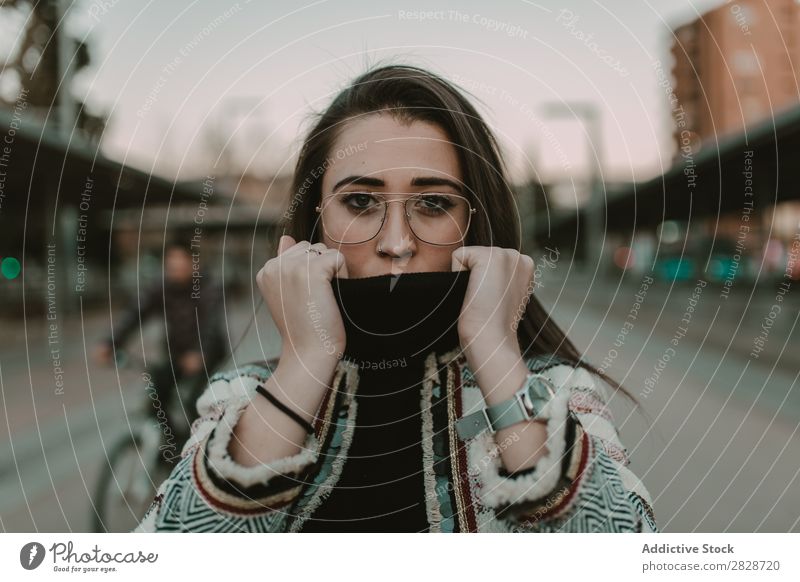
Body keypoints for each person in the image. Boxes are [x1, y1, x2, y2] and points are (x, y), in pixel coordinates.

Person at [134, 64, 659, 533]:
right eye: (360, 202)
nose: (396, 242)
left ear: (477, 230)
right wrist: (305, 360)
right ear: (315, 224)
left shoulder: (554, 390)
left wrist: (497, 353)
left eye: (433, 203)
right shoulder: (243, 395)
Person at [95, 238, 228, 449]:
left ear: (194, 263)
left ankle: (199, 448)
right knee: (157, 392)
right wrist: (111, 342)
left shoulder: (208, 287)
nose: (175, 269)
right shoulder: (163, 287)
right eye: (170, 264)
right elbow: (136, 312)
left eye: (180, 262)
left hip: (206, 354)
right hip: (176, 353)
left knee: (195, 400)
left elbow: (211, 325)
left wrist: (200, 352)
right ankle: (173, 444)